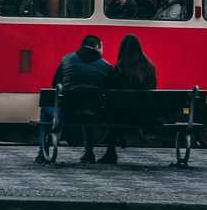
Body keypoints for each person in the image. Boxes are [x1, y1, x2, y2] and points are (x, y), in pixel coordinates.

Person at [37, 34, 112, 164]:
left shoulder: (66, 59)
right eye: (102, 47)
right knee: (88, 109)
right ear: (97, 46)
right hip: (93, 113)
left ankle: (42, 153)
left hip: (66, 112)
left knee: (45, 110)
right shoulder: (106, 66)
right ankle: (89, 153)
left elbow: (55, 83)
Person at [99, 34, 157, 164]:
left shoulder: (119, 68)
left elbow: (110, 92)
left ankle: (111, 152)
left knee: (112, 111)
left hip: (121, 115)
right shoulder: (149, 67)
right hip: (144, 115)